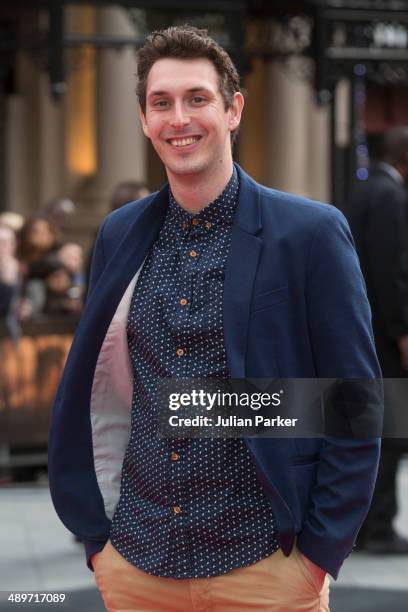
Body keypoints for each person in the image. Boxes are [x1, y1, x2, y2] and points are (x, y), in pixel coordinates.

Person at [49, 26, 382, 611]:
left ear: (233, 110)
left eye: (197, 98)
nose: (179, 118)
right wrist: (99, 544)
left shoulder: (310, 233)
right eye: (161, 103)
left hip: (266, 566)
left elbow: (355, 402)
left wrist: (319, 555)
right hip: (136, 563)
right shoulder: (119, 234)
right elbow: (97, 384)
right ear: (145, 119)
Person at [348, 127, 408, 554]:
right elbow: (391, 274)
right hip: (382, 333)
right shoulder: (389, 196)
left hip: (362, 328)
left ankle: (367, 524)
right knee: (390, 428)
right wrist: (402, 332)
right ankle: (379, 525)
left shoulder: (364, 190)